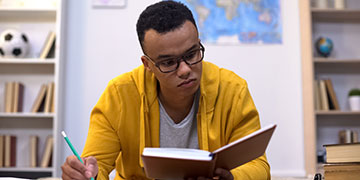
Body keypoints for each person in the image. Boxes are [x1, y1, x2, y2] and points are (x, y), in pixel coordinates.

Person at [61, 1, 270, 180]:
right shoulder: (119, 95)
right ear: (148, 64)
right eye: (169, 62)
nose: (185, 70)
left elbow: (258, 167)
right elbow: (97, 166)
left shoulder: (232, 90)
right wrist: (86, 173)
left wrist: (232, 177)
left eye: (192, 53)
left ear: (199, 43)